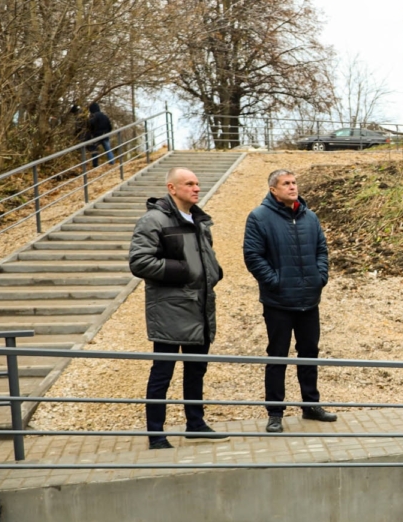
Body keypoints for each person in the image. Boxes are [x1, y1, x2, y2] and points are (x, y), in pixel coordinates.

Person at [129, 167, 226, 449]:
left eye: (197, 183)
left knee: (196, 370)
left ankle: (195, 424)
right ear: (172, 188)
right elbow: (139, 262)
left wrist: (214, 272)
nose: (196, 188)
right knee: (163, 373)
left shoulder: (199, 220)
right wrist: (183, 270)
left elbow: (206, 258)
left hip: (199, 308)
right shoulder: (153, 221)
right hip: (170, 311)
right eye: (189, 184)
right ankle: (156, 435)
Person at [243, 169, 337, 433]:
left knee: (309, 354)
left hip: (309, 299)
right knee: (277, 357)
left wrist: (320, 277)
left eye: (294, 183)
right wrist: (276, 281)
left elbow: (321, 249)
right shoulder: (259, 217)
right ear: (273, 189)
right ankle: (275, 413)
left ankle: (311, 405)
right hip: (278, 303)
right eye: (286, 183)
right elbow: (252, 256)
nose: (292, 187)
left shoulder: (310, 217)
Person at [85, 102, 115, 167]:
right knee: (108, 149)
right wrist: (106, 132)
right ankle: (112, 163)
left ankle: (95, 164)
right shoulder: (105, 116)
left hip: (97, 136)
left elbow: (91, 125)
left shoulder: (93, 116)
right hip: (105, 135)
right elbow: (110, 127)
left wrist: (92, 132)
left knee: (94, 150)